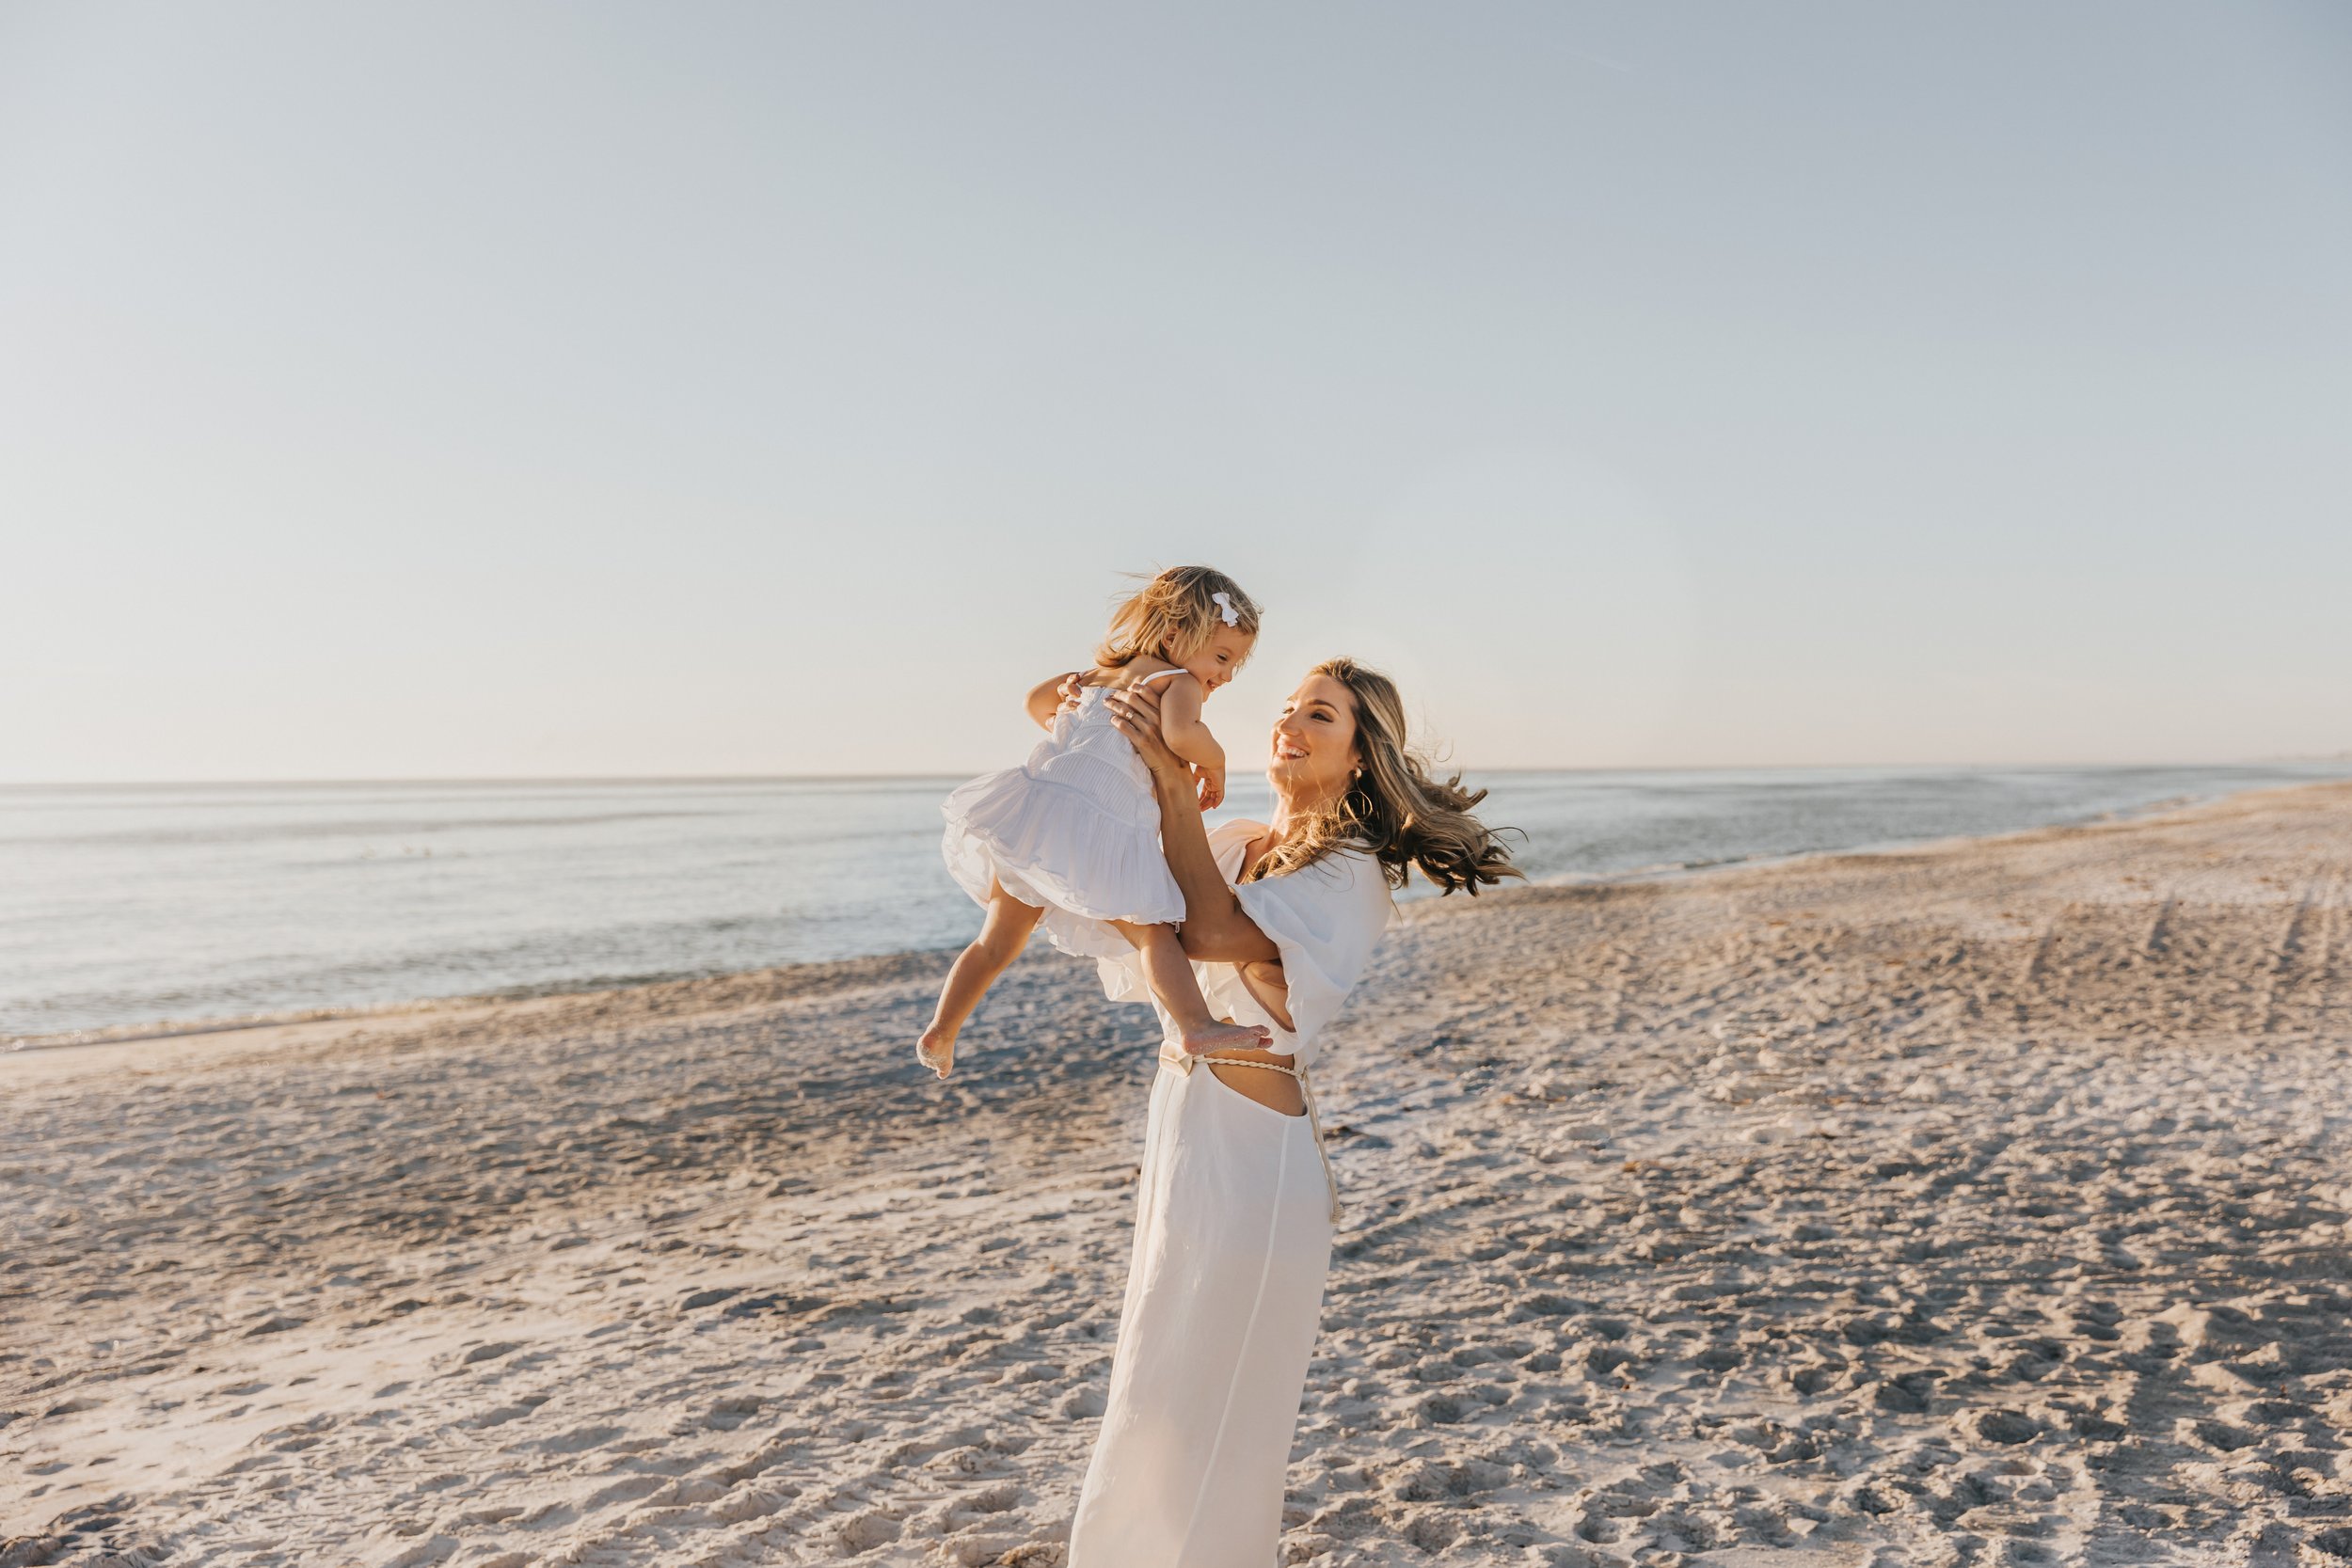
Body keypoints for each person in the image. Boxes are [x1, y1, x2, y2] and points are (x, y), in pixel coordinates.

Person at [1067, 657, 1520, 1565]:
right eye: (1286, 708)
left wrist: (1169, 780)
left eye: (1321, 715)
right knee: (1153, 1375)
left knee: (1211, 1398)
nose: (1291, 724)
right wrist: (1106, 729)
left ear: (1360, 757)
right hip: (1186, 1133)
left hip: (1257, 1170)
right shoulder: (1233, 838)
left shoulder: (1349, 873)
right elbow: (1122, 891)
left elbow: (1210, 929)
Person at [921, 565, 1275, 1079]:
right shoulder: (1176, 682)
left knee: (996, 942)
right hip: (1096, 832)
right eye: (1220, 657)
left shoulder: (1095, 676)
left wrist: (1065, 697)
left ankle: (943, 1028)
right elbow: (1180, 735)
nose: (1221, 675)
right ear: (1175, 635)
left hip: (1037, 820)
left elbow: (1034, 702)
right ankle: (1194, 1022)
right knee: (1153, 933)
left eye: (1233, 667)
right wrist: (1215, 760)